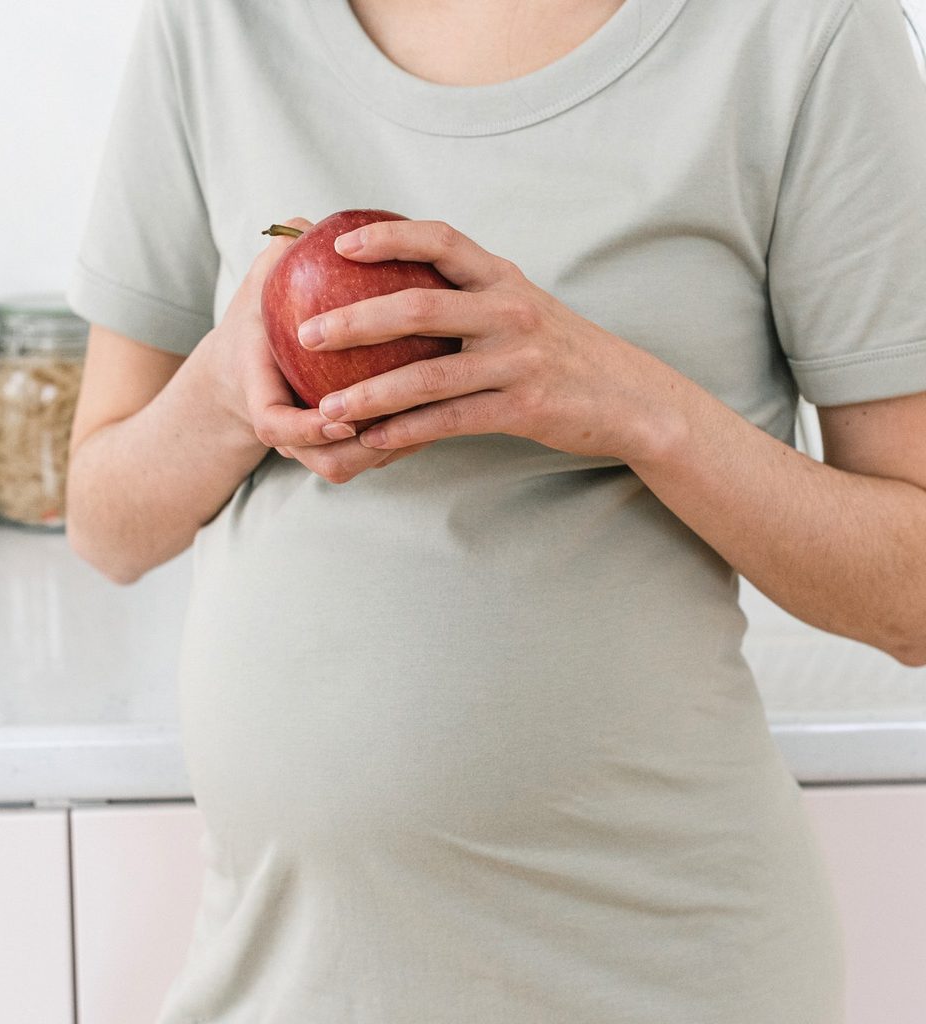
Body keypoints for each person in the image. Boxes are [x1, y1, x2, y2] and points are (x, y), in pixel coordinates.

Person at [65, 0, 926, 1020]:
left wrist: (636, 407)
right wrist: (223, 393)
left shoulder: (806, 31)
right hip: (280, 978)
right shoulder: (216, 26)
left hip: (657, 977)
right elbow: (107, 527)